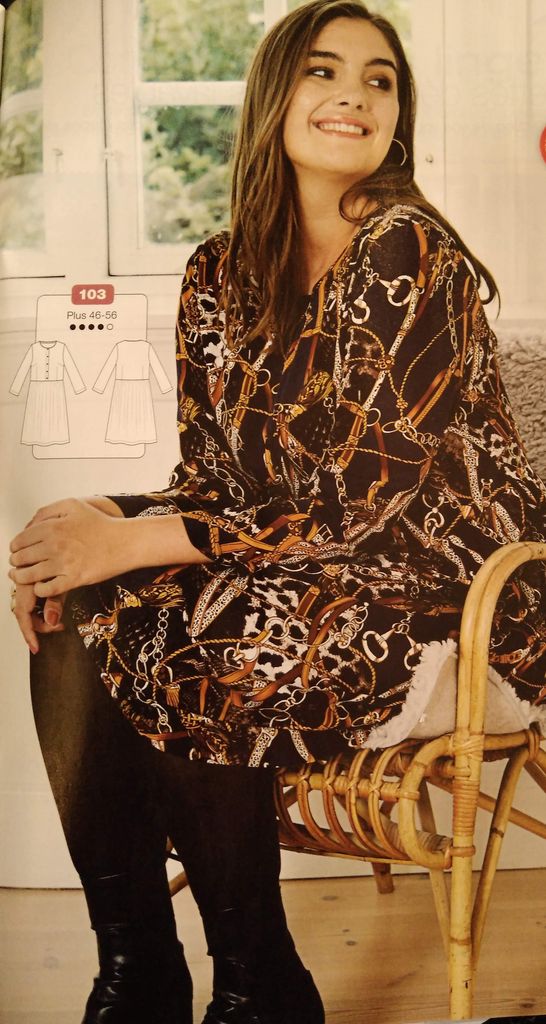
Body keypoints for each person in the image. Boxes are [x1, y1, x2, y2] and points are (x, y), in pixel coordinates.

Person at [9, 1, 546, 1021]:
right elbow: (217, 475)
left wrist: (129, 538)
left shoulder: (408, 252)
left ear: (398, 115)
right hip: (299, 558)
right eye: (323, 71)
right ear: (274, 97)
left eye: (379, 80)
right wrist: (84, 523)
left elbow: (361, 499)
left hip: (443, 577)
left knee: (202, 636)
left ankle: (261, 983)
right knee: (74, 599)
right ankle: (137, 966)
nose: (354, 95)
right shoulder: (217, 272)